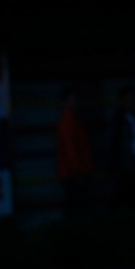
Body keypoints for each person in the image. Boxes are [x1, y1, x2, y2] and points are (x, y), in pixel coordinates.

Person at [55, 84, 94, 217]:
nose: (75, 102)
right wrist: (77, 172)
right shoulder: (68, 121)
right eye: (72, 99)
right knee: (76, 206)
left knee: (75, 205)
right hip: (73, 174)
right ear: (66, 102)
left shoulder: (71, 120)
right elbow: (71, 149)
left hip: (72, 173)